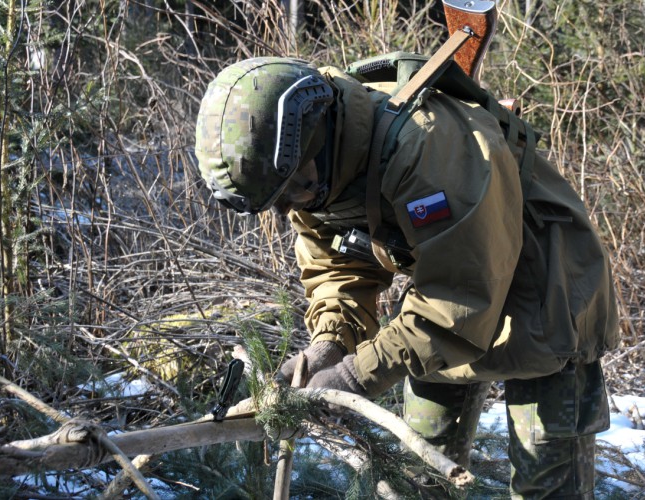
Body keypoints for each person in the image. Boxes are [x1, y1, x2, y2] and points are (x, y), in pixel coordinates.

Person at [195, 56, 620, 498]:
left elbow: (458, 296)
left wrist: (355, 375)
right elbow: (337, 268)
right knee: (421, 475)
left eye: (289, 193)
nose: (288, 209)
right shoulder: (310, 173)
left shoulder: (428, 149)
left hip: (545, 294)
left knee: (546, 488)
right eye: (277, 201)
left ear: (314, 139)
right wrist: (330, 345)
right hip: (446, 294)